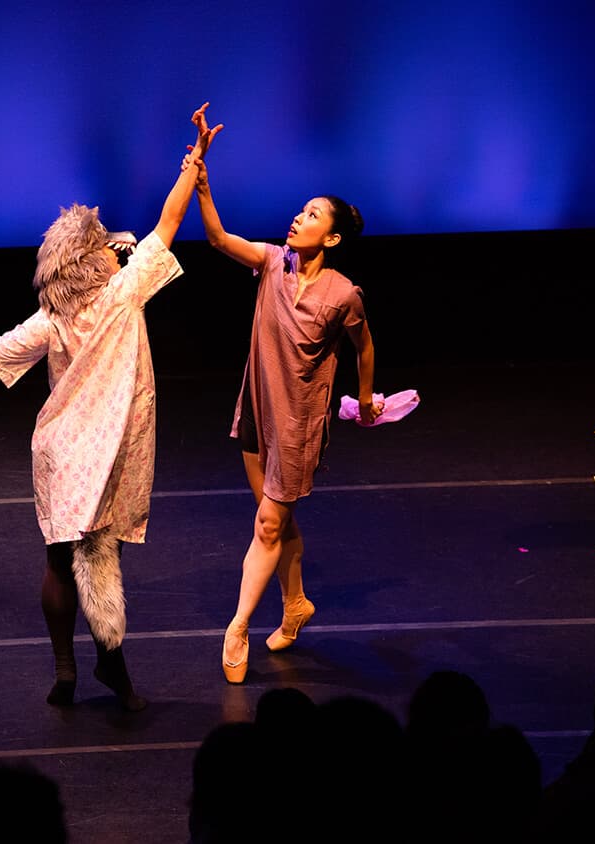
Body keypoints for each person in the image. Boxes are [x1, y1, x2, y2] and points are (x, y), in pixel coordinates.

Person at [0, 104, 221, 711]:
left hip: (60, 452)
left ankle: (66, 672)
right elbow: (169, 221)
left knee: (62, 561)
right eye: (107, 247)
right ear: (94, 262)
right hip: (105, 450)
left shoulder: (50, 318)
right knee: (99, 554)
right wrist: (194, 162)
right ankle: (111, 665)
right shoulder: (123, 293)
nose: (118, 249)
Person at [189, 114, 379, 683]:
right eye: (301, 210)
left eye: (313, 214)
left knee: (269, 526)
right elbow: (220, 240)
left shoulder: (343, 295)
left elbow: (365, 347)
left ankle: (238, 627)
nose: (299, 217)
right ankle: (295, 604)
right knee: (275, 520)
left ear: (333, 238)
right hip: (258, 412)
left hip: (297, 427)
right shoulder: (272, 262)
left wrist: (365, 400)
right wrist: (202, 182)